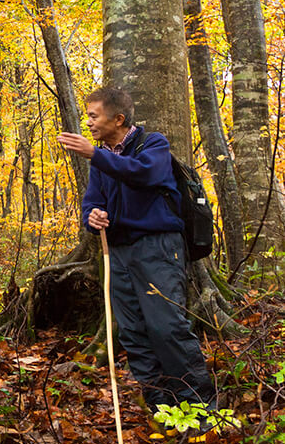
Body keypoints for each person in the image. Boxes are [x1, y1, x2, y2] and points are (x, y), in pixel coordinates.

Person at [57, 86, 217, 416]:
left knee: (167, 327)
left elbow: (145, 174)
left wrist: (94, 155)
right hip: (117, 252)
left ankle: (200, 410)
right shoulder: (101, 160)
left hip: (157, 248)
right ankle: (162, 409)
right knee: (134, 332)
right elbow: (92, 202)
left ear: (118, 118)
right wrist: (93, 216)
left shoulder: (152, 144)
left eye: (93, 116)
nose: (88, 123)